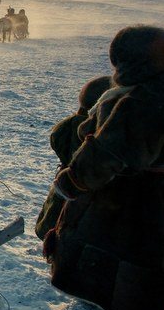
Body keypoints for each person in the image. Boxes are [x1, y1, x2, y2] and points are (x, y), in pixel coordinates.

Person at [44, 25, 164, 310]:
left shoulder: (143, 100)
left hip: (136, 191)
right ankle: (112, 298)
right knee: (149, 245)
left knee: (136, 249)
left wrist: (73, 180)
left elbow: (109, 150)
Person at [34, 75, 111, 241]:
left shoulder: (66, 126)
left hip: (64, 187)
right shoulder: (98, 136)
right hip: (85, 199)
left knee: (55, 225)